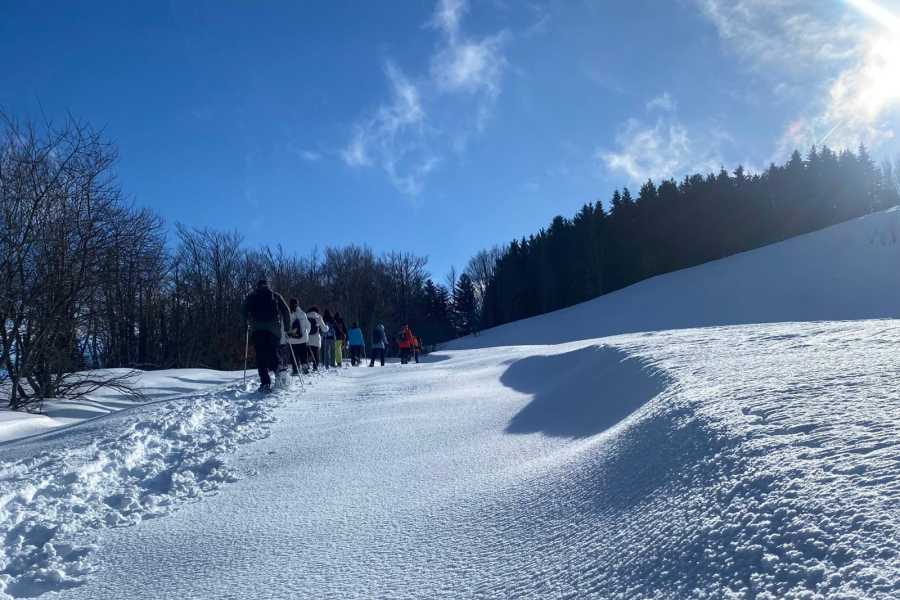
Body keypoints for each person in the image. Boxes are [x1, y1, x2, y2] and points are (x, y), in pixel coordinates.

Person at [241, 279, 290, 392]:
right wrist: (287, 328)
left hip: (257, 330)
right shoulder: (276, 296)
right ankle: (279, 372)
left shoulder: (252, 296)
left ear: (257, 286)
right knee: (273, 352)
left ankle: (265, 383)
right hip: (274, 330)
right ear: (268, 286)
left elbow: (243, 311)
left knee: (260, 355)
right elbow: (286, 311)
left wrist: (246, 326)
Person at [286, 298, 311, 375]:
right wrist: (306, 334)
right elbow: (308, 326)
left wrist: (286, 336)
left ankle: (295, 369)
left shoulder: (288, 314)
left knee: (294, 355)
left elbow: (286, 327)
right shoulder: (303, 314)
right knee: (303, 354)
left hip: (292, 339)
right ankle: (305, 367)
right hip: (303, 339)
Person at [306, 305, 327, 371]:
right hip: (316, 339)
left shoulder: (305, 316)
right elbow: (324, 329)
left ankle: (306, 366)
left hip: (307, 339)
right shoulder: (318, 317)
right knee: (316, 355)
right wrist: (327, 327)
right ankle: (315, 367)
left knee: (307, 354)